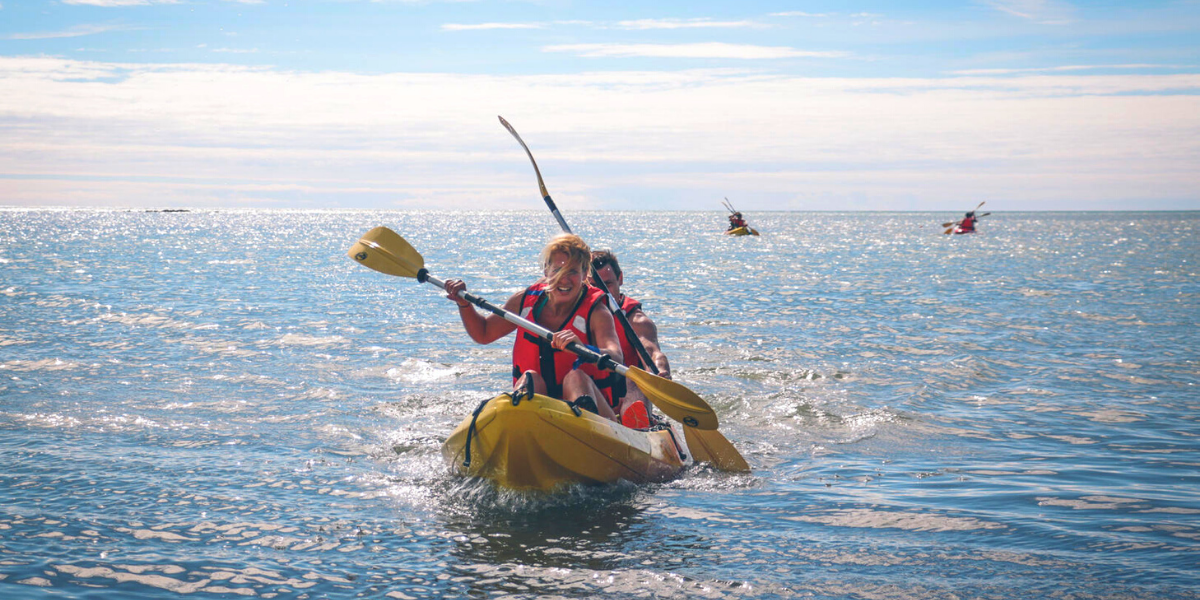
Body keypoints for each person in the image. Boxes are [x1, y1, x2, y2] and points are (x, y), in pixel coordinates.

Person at [442, 234, 624, 422]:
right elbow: (484, 334)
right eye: (558, 270)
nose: (564, 280)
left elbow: (617, 357)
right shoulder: (524, 301)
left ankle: (582, 430)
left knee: (576, 377)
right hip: (542, 412)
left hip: (594, 415)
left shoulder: (597, 312)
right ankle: (523, 425)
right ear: (546, 271)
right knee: (530, 378)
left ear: (585, 274)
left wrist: (585, 350)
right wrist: (464, 304)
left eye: (572, 272)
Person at [589, 249, 672, 428]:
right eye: (594, 286)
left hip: (627, 398)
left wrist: (660, 371)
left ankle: (635, 422)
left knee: (634, 376)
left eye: (608, 284)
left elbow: (652, 352)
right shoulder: (574, 315)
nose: (601, 293)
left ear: (620, 279)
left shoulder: (637, 321)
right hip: (592, 393)